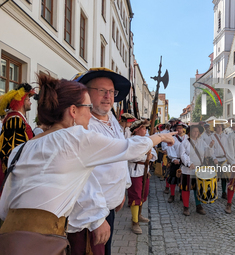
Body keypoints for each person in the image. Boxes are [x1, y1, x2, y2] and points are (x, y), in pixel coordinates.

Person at [0, 73, 176, 254]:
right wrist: (161, 136)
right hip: (47, 239)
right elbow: (128, 148)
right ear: (73, 111)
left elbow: (4, 207)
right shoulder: (75, 138)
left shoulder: (22, 148)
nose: (90, 112)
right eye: (88, 106)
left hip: (11, 239)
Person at [67, 68, 136, 255]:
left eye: (112, 92)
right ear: (87, 93)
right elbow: (80, 175)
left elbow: (121, 156)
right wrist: (96, 218)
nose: (108, 96)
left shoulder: (111, 118)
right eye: (102, 91)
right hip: (89, 213)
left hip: (109, 208)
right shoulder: (83, 125)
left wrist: (123, 189)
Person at [127, 119, 157, 234]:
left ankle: (138, 215)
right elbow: (132, 156)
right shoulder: (131, 141)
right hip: (135, 172)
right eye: (143, 128)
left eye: (146, 128)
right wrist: (146, 157)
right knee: (136, 196)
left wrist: (149, 156)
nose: (145, 130)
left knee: (144, 194)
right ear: (136, 130)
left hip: (145, 171)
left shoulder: (147, 140)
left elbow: (154, 155)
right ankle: (134, 222)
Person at [179, 125, 216, 216]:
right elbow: (182, 155)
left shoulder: (201, 142)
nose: (196, 133)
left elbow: (207, 153)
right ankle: (186, 207)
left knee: (198, 188)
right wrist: (188, 163)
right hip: (187, 170)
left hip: (199, 169)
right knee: (186, 189)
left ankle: (198, 206)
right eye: (194, 131)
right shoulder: (185, 142)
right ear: (190, 132)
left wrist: (210, 147)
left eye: (197, 131)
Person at [0, 83, 35, 177]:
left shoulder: (17, 118)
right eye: (28, 100)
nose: (30, 102)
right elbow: (11, 151)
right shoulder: (15, 120)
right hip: (15, 174)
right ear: (22, 101)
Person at [166, 122, 188, 203]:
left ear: (183, 129)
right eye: (177, 128)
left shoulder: (187, 138)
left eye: (180, 128)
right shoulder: (172, 138)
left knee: (183, 179)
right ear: (175, 129)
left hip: (185, 162)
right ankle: (172, 195)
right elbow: (170, 149)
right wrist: (174, 158)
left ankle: (182, 194)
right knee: (173, 178)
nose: (179, 129)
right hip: (175, 161)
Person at [211, 123, 228, 199]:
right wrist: (214, 158)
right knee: (215, 177)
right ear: (215, 128)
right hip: (216, 159)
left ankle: (224, 192)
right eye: (218, 127)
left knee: (224, 177)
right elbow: (210, 149)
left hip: (224, 159)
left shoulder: (226, 137)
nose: (219, 128)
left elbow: (228, 148)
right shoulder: (211, 137)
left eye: (220, 127)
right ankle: (214, 192)